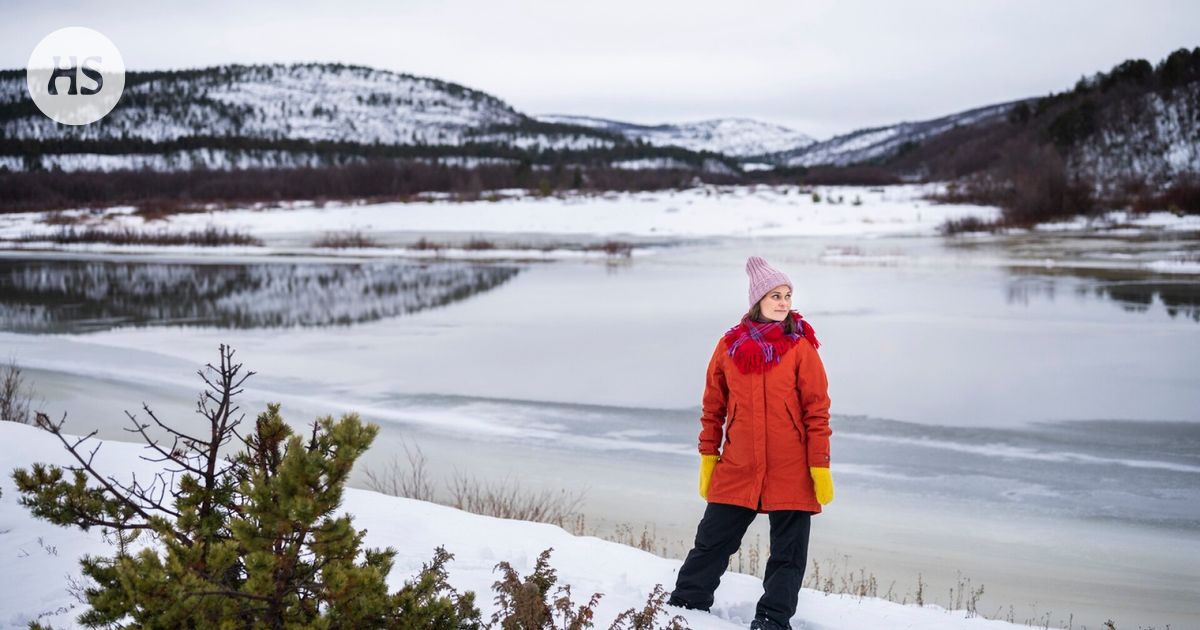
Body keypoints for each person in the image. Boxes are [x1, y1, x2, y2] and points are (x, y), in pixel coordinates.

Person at [667, 256, 834, 630]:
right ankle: (685, 606)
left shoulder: (801, 348)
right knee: (711, 542)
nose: (784, 302)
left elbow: (817, 411)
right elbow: (713, 408)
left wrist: (819, 465)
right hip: (739, 465)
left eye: (788, 295)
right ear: (757, 300)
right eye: (775, 295)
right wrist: (708, 457)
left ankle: (773, 620)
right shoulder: (729, 347)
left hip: (791, 467)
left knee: (788, 555)